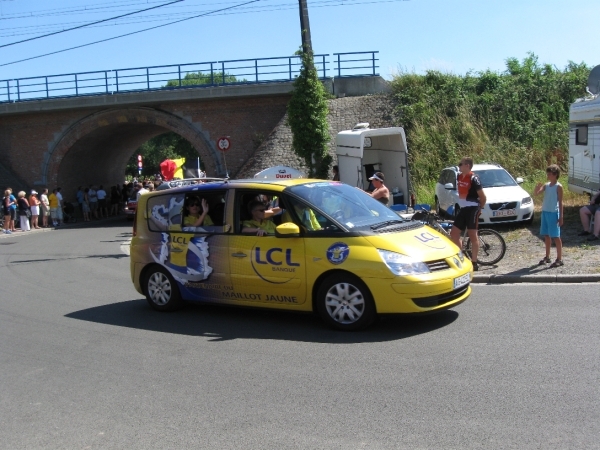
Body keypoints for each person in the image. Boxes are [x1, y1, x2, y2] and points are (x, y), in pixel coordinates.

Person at [449, 157, 487, 271]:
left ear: (467, 166)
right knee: (454, 233)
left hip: (473, 208)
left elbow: (483, 196)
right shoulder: (459, 176)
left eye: (461, 164)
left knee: (472, 235)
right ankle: (461, 257)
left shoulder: (474, 178)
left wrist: (480, 207)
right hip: (463, 208)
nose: (459, 166)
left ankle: (474, 262)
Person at [534, 164, 564, 268]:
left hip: (553, 213)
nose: (548, 175)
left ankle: (559, 258)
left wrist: (561, 217)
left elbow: (560, 202)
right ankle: (547, 256)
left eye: (550, 174)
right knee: (546, 235)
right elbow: (537, 193)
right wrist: (536, 189)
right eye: (548, 174)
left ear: (555, 175)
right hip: (545, 212)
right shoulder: (547, 185)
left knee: (555, 236)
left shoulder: (558, 187)